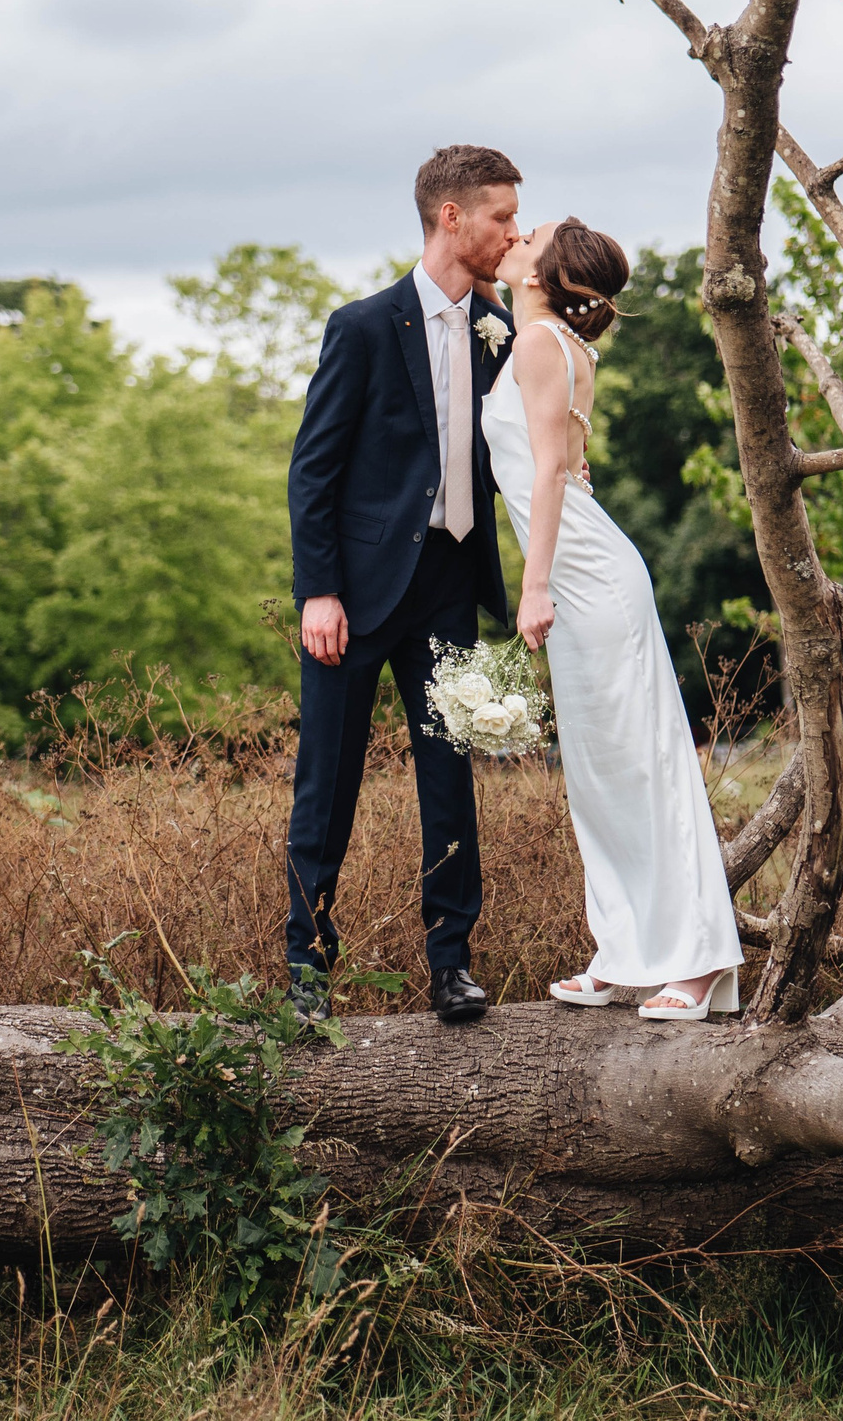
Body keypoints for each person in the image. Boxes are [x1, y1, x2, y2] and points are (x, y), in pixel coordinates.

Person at [483, 218, 745, 1019]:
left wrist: (533, 588)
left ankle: (696, 965)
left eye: (531, 235)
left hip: (585, 577)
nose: (517, 234)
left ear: (544, 275)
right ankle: (623, 950)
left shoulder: (539, 347)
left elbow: (553, 476)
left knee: (644, 764)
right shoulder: (547, 341)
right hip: (579, 572)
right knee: (599, 776)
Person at [284, 144, 522, 1025]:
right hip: (355, 594)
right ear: (450, 217)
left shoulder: (504, 330)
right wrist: (319, 590)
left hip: (451, 583)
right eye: (500, 215)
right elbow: (313, 470)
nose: (513, 231)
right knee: (328, 779)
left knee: (448, 776)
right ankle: (307, 969)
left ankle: (452, 962)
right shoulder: (363, 325)